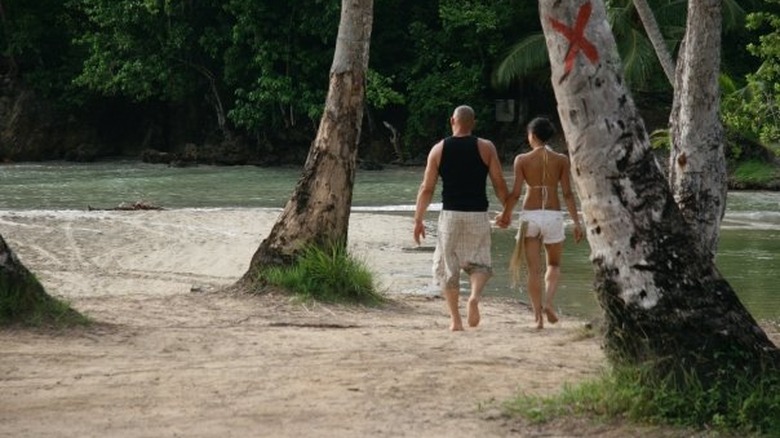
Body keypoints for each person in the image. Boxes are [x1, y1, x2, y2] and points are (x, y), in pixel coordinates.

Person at [414, 105, 508, 331]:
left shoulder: (439, 149)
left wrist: (418, 219)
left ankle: (455, 320)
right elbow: (498, 183)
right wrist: (507, 210)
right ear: (473, 122)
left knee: (448, 267)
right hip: (478, 213)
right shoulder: (486, 147)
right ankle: (474, 297)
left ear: (452, 121)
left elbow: (427, 188)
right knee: (480, 263)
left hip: (451, 214)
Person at [496, 116, 583, 329]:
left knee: (534, 270)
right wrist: (577, 222)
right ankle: (549, 302)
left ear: (532, 136)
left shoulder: (522, 160)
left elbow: (515, 193)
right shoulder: (561, 160)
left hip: (530, 216)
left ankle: (537, 318)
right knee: (553, 265)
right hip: (553, 215)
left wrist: (505, 214)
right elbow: (568, 194)